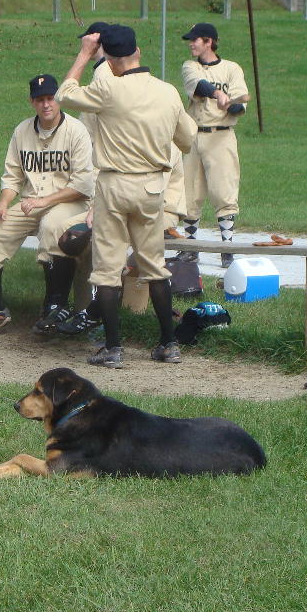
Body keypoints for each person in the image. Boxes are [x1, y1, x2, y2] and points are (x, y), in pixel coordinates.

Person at [56, 24, 196, 368]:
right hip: (152, 188)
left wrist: (85, 54)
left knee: (107, 270)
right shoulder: (167, 92)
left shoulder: (108, 88)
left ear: (112, 61)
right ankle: (168, 344)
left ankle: (113, 348)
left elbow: (64, 94)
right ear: (138, 52)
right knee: (154, 266)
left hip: (115, 185)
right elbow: (188, 140)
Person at [0, 74, 94, 338]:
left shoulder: (76, 131)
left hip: (71, 202)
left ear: (59, 99)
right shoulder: (22, 130)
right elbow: (12, 176)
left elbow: (83, 185)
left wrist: (44, 201)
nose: (46, 104)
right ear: (32, 102)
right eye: (40, 99)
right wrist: (3, 204)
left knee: (52, 226)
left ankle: (54, 305)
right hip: (31, 202)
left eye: (50, 98)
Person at [179, 22, 250, 268]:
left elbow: (241, 104)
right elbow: (199, 85)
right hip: (194, 136)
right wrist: (218, 95)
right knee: (190, 192)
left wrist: (232, 105)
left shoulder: (231, 69)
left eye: (195, 40)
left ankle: (226, 248)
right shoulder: (190, 66)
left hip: (221, 136)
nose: (191, 43)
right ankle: (190, 249)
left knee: (224, 191)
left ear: (208, 41)